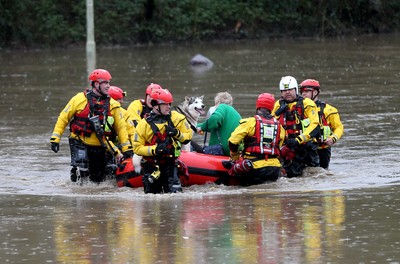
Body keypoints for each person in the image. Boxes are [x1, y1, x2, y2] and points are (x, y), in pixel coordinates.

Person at [50, 69, 133, 183]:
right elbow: (63, 118)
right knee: (82, 172)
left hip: (101, 145)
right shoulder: (78, 99)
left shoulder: (114, 105)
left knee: (99, 179)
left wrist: (127, 149)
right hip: (79, 141)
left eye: (109, 82)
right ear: (96, 84)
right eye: (106, 83)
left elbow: (121, 128)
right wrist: (55, 138)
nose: (109, 86)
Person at [132, 88, 193, 193]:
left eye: (169, 104)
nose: (169, 107)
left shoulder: (177, 118)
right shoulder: (143, 124)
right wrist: (155, 150)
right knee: (152, 203)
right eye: (165, 104)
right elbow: (137, 148)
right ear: (155, 105)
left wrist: (177, 134)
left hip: (171, 165)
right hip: (151, 167)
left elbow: (188, 136)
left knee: (176, 198)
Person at [228, 93, 285, 185]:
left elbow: (233, 141)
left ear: (257, 106)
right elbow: (280, 147)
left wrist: (235, 156)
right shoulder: (280, 127)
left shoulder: (250, 122)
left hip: (255, 167)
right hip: (274, 168)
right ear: (271, 107)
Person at [272, 76, 320, 178]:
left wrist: (299, 139)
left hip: (305, 146)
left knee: (313, 174)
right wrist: (278, 112)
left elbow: (315, 125)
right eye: (284, 90)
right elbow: (269, 122)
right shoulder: (278, 105)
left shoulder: (307, 103)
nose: (287, 92)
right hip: (288, 146)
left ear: (296, 90)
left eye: (290, 89)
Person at [299, 79, 344, 169]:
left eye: (307, 91)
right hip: (304, 148)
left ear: (315, 92)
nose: (303, 94)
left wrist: (333, 138)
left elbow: (338, 127)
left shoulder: (329, 110)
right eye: (302, 91)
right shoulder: (298, 108)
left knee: (321, 173)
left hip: (322, 149)